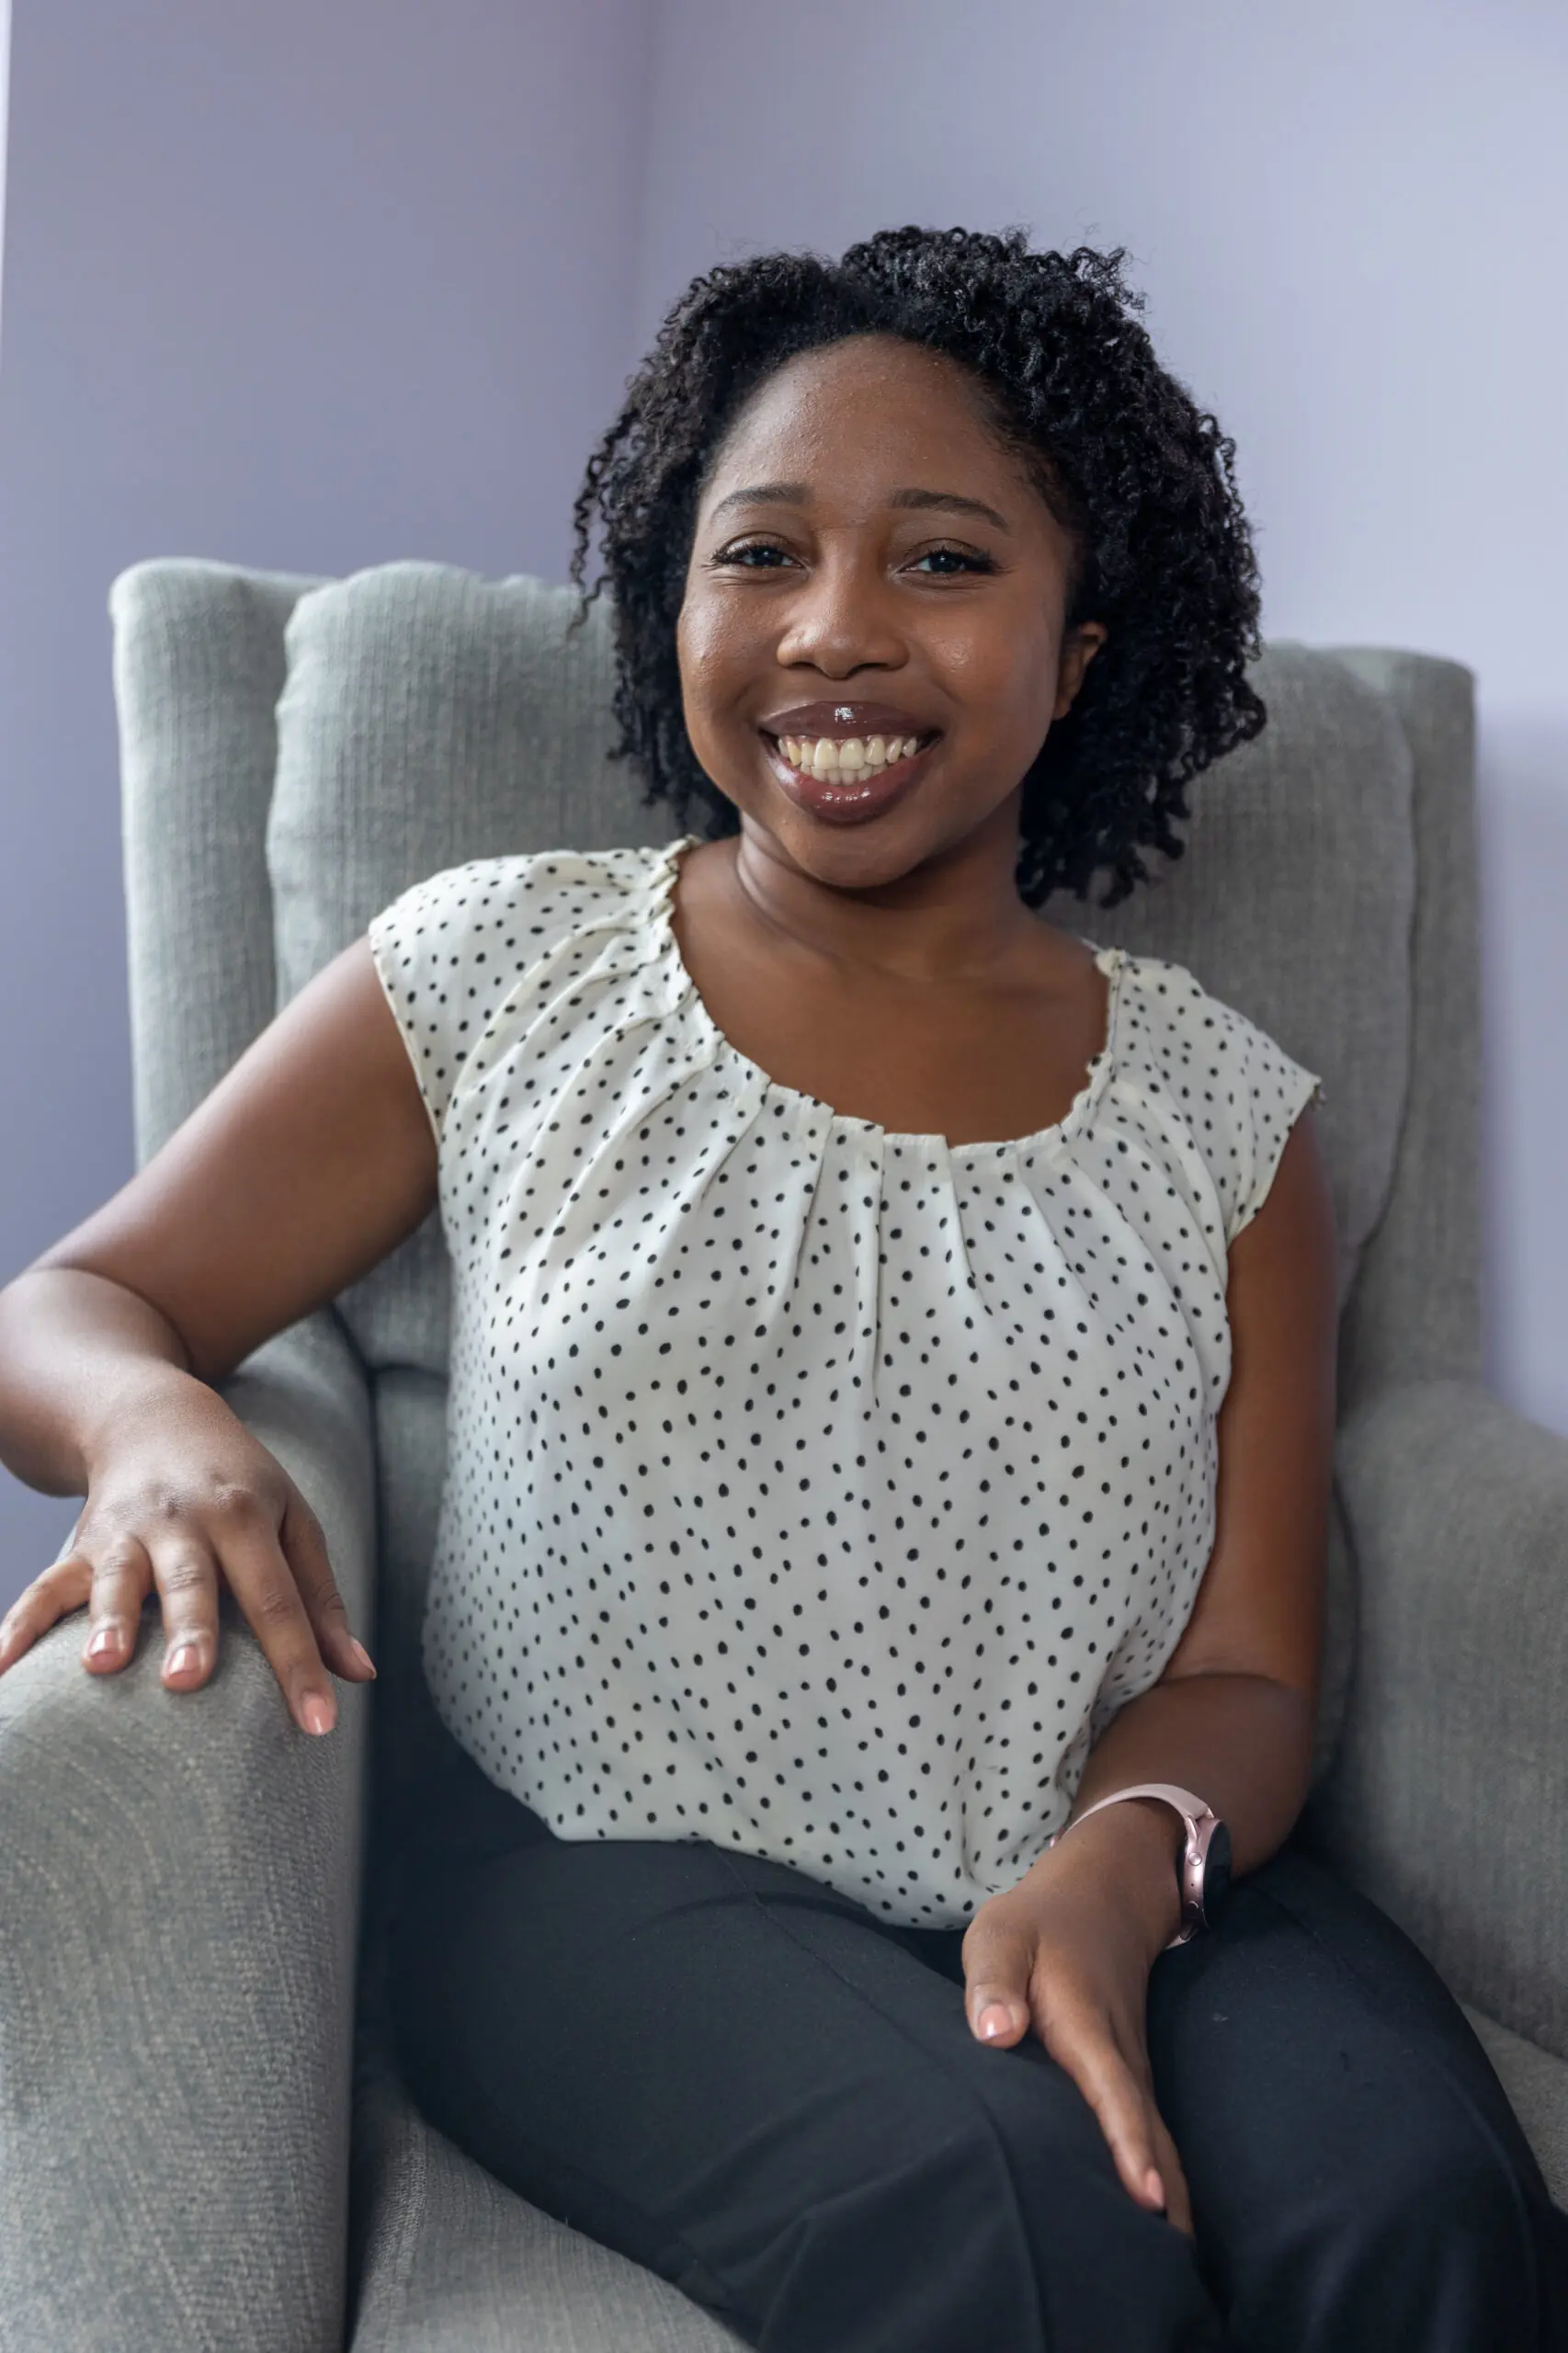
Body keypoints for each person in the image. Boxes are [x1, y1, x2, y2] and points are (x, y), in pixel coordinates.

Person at [0, 227, 1562, 2353]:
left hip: (1135, 1864)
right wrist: (158, 1417)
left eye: (941, 561)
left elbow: (1253, 1668)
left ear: (1079, 647)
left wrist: (1127, 1860)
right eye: (760, 556)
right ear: (677, 604)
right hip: (602, 1876)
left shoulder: (1224, 1115)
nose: (834, 633)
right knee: (1033, 2252)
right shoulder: (496, 968)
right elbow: (71, 1300)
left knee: (1435, 2243)